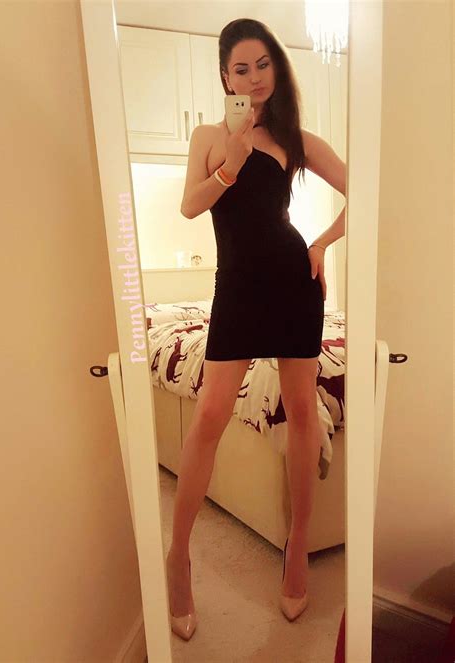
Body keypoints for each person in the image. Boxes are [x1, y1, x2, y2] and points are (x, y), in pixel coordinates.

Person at [166, 17, 346, 641]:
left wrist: (321, 244)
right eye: (240, 69)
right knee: (211, 414)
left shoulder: (296, 139)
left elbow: (368, 190)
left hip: (294, 286)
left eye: (263, 64)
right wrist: (232, 162)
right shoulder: (209, 136)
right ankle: (178, 555)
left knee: (301, 413)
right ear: (225, 77)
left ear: (276, 68)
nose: (253, 77)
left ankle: (298, 548)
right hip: (237, 290)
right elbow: (190, 206)